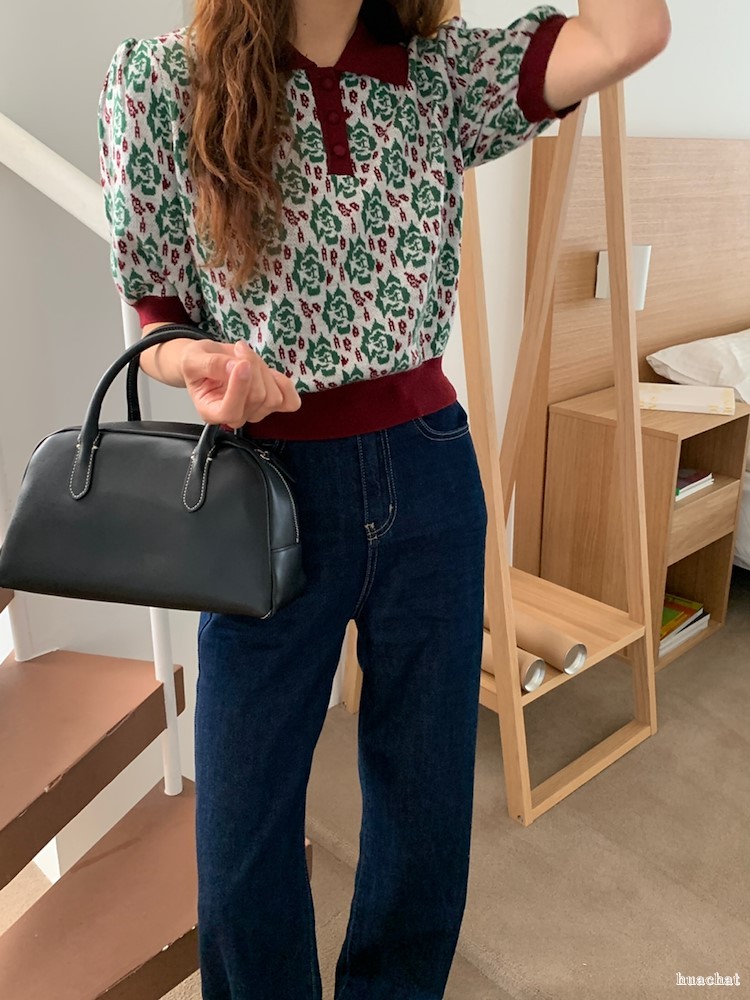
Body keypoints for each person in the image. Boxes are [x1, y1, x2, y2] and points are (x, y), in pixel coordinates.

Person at [98, 1, 670, 997]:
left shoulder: (439, 71)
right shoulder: (163, 82)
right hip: (265, 492)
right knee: (240, 839)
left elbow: (630, 35)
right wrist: (201, 363)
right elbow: (156, 311)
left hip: (429, 472)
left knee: (425, 808)